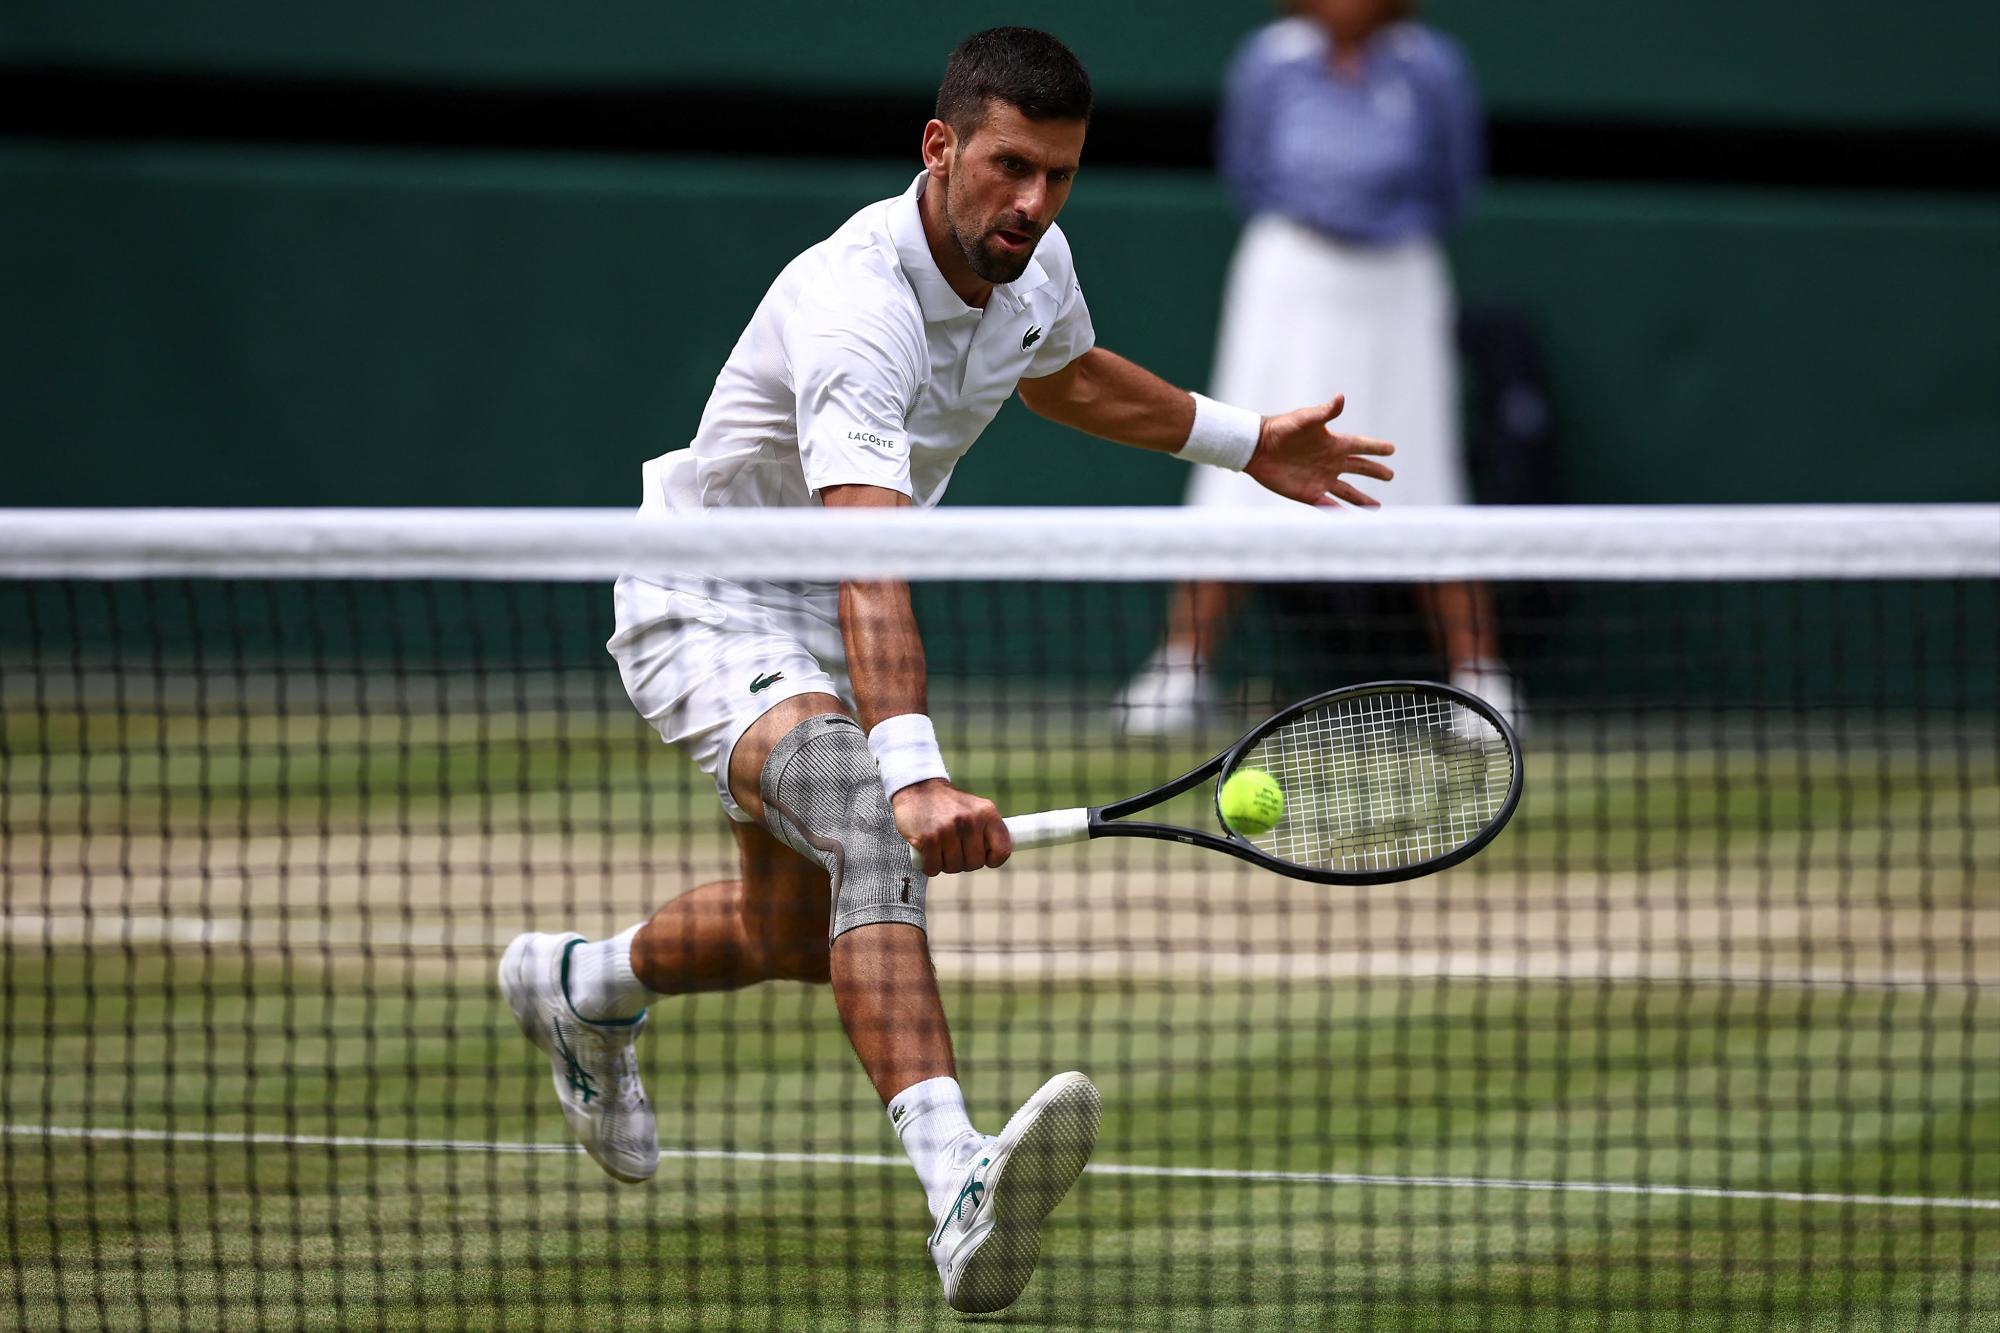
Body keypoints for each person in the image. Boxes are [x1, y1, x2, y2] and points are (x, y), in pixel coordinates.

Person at [498, 27, 1392, 1315]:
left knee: (791, 934)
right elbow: (871, 560)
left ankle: (582, 984)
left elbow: (1064, 375)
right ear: (941, 147)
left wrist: (1244, 441)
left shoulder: (1031, 260)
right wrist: (909, 770)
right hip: (710, 605)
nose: (1032, 202)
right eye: (1011, 167)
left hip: (817, 616)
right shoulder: (854, 305)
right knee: (865, 826)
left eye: (1061, 176)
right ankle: (955, 1180)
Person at [1115, 0, 1518, 734]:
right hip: (1288, 283)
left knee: (1425, 473)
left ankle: (1482, 681)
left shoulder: (1433, 67)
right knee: (1238, 457)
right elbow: (1249, 168)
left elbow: (1455, 182)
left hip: (1399, 284)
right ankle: (1180, 668)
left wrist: (1377, 230)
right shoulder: (1269, 60)